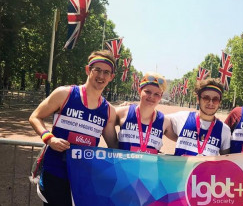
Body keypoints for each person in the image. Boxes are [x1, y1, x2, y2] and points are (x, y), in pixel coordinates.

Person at [29, 50, 118, 205]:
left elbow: (114, 147)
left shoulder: (109, 111)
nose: (101, 76)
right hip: (55, 171)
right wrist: (49, 138)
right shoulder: (64, 94)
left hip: (82, 176)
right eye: (97, 69)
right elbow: (35, 116)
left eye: (106, 72)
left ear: (111, 77)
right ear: (87, 70)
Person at [165, 78, 230, 156]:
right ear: (198, 99)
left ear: (219, 102)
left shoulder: (224, 130)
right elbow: (157, 119)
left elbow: (225, 160)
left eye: (215, 99)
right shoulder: (182, 117)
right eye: (206, 98)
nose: (211, 103)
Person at [116, 72, 170, 154]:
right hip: (123, 166)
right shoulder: (122, 113)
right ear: (139, 90)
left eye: (157, 94)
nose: (151, 96)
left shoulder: (165, 122)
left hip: (149, 167)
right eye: (148, 92)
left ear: (161, 96)